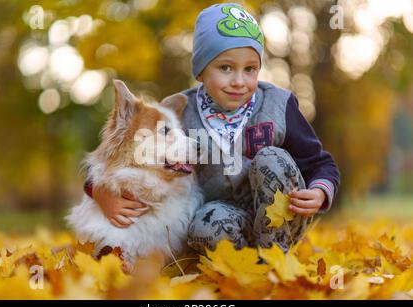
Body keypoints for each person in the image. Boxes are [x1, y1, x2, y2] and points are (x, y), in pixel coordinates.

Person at [84, 3, 340, 254]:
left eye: (250, 69)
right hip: (227, 219)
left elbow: (319, 163)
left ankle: (275, 258)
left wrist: (319, 191)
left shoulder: (278, 104)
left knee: (271, 158)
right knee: (203, 226)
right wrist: (100, 192)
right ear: (200, 71)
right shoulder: (179, 113)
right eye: (225, 68)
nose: (239, 81)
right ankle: (242, 265)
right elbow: (123, 152)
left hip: (282, 217)